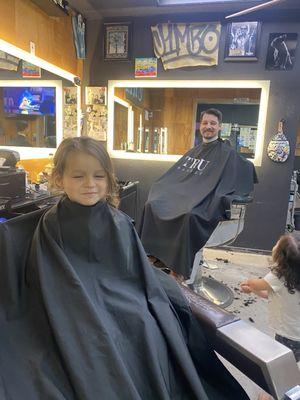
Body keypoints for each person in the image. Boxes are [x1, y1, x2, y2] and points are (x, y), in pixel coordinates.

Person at [0, 136, 249, 399]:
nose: (89, 184)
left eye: (98, 176)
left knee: (146, 327)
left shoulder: (119, 223)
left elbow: (133, 274)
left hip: (122, 294)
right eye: (78, 176)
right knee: (92, 342)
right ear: (59, 179)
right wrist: (88, 310)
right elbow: (52, 280)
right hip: (69, 306)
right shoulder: (52, 225)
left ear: (108, 179)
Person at [140, 108, 257, 278]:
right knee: (152, 205)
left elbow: (247, 168)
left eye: (213, 123)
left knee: (190, 216)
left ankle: (178, 271)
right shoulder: (193, 152)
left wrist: (225, 196)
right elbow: (177, 180)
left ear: (219, 127)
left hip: (202, 202)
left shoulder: (227, 154)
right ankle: (155, 256)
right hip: (185, 198)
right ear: (200, 126)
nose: (208, 126)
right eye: (205, 123)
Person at [240, 233, 300, 363]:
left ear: (280, 256)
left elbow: (255, 283)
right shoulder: (295, 276)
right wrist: (253, 291)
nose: (274, 245)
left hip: (287, 335)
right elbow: (270, 294)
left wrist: (248, 283)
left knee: (284, 364)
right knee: (292, 362)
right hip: (297, 334)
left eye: (277, 244)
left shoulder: (278, 276)